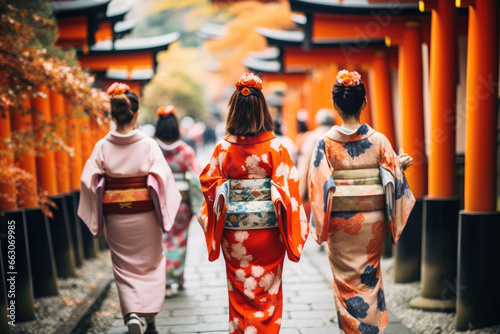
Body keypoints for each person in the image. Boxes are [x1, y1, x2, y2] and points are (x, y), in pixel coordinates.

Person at [197, 73, 309, 334]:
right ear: (263, 110)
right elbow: (290, 190)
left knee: (239, 290)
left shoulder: (223, 149)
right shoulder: (276, 148)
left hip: (236, 234)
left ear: (233, 110)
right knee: (268, 290)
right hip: (269, 232)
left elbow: (208, 184)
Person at [308, 70, 415, 334]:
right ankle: (371, 329)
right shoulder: (379, 141)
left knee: (344, 280)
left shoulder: (325, 143)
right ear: (364, 102)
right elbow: (393, 178)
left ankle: (352, 330)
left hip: (340, 223)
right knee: (369, 277)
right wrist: (398, 168)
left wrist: (319, 228)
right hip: (372, 221)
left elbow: (318, 185)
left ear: (336, 105)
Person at [78, 82, 181, 334]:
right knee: (152, 263)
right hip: (145, 214)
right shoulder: (147, 145)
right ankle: (151, 320)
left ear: (113, 115)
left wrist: (99, 203)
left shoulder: (102, 146)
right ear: (135, 114)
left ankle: (132, 313)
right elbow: (163, 177)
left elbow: (87, 180)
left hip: (116, 216)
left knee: (123, 267)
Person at [154, 105, 202, 297]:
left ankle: (165, 282)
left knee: (162, 240)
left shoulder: (153, 148)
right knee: (179, 240)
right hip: (182, 203)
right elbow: (196, 176)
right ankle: (177, 277)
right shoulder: (185, 151)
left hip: (158, 201)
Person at [297, 108, 336, 217]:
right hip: (339, 186)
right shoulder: (339, 135)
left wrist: (300, 193)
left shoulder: (312, 137)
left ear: (318, 121)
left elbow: (304, 166)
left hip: (318, 185)